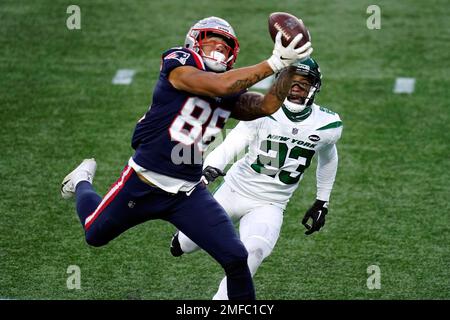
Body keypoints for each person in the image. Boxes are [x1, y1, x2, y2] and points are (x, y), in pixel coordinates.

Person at [60, 16, 313, 300]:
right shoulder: (178, 63)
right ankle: (82, 179)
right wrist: (274, 63)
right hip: (143, 182)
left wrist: (291, 68)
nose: (219, 46)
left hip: (187, 193)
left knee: (236, 259)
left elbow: (266, 105)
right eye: (212, 40)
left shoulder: (229, 87)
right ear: (194, 42)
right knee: (95, 235)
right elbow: (216, 86)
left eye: (225, 44)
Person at [170, 57, 343, 300]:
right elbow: (234, 141)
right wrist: (211, 167)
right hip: (234, 191)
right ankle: (182, 237)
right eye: (292, 82)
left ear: (314, 87)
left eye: (304, 83)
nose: (297, 88)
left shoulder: (327, 124)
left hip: (271, 204)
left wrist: (321, 201)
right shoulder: (264, 110)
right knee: (187, 245)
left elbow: (328, 157)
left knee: (254, 250)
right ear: (280, 82)